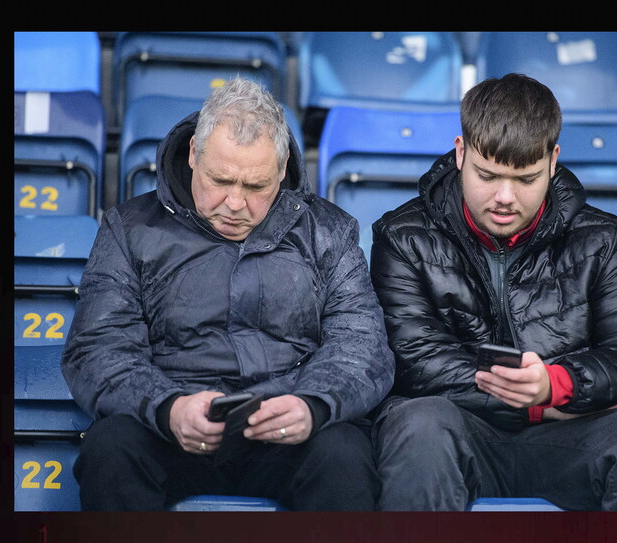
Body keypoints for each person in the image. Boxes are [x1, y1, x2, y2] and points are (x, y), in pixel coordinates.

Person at [368, 73, 617, 511]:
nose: (505, 197)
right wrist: (535, 401)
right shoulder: (402, 236)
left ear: (553, 161)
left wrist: (557, 386)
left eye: (525, 179)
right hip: (455, 433)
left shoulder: (599, 238)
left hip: (566, 438)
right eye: (488, 176)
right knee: (419, 422)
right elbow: (412, 363)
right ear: (461, 151)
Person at [61, 78, 394, 511]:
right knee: (112, 447)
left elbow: (363, 346)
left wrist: (311, 404)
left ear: (283, 167)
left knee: (344, 456)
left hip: (290, 430)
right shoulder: (130, 229)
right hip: (170, 427)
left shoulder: (328, 232)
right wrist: (168, 408)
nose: (235, 203)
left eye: (256, 187)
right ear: (194, 154)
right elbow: (97, 348)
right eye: (221, 181)